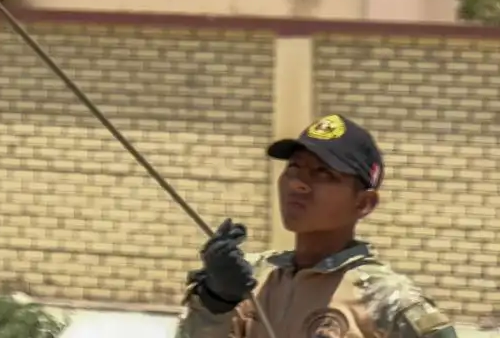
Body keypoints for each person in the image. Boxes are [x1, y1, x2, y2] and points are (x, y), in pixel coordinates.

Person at [177, 114, 457, 338]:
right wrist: (215, 301)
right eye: (294, 168)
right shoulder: (251, 279)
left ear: (364, 203)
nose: (298, 183)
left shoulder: (387, 300)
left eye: (323, 173)